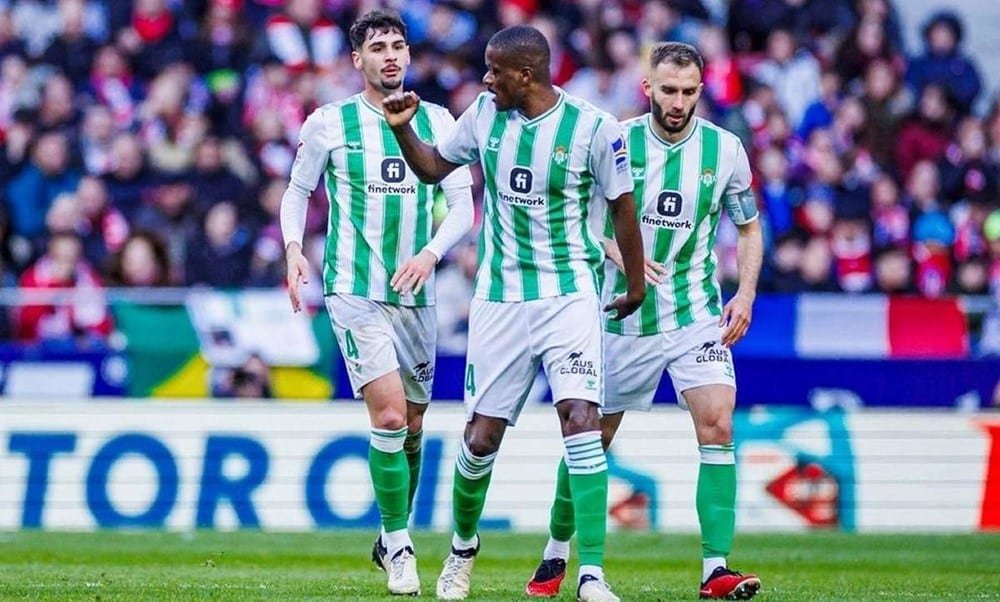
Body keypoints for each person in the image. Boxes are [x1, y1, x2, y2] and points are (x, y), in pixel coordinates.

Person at [382, 25, 646, 602]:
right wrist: (402, 130)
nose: (485, 79)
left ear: (525, 75)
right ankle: (462, 549)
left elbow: (624, 207)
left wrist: (634, 281)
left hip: (568, 295)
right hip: (500, 299)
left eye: (494, 70)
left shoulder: (594, 128)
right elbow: (433, 168)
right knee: (480, 439)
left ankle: (592, 574)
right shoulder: (483, 115)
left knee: (582, 418)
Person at [524, 42, 764, 600]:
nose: (678, 102)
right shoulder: (614, 142)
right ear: (647, 88)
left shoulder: (725, 150)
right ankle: (556, 550)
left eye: (688, 92)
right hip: (621, 318)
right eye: (668, 90)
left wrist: (746, 293)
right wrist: (618, 252)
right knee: (593, 439)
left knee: (718, 423)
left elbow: (749, 228)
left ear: (700, 91)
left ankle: (715, 569)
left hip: (696, 314)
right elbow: (575, 221)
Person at [279, 9, 474, 596]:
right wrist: (294, 249)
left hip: (416, 293)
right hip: (354, 288)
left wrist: (431, 255)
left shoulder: (438, 120)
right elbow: (297, 191)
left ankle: (391, 533)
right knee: (388, 417)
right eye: (378, 47)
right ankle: (401, 546)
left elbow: (462, 207)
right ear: (357, 60)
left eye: (397, 45)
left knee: (412, 426)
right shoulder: (329, 122)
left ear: (408, 55)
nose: (390, 55)